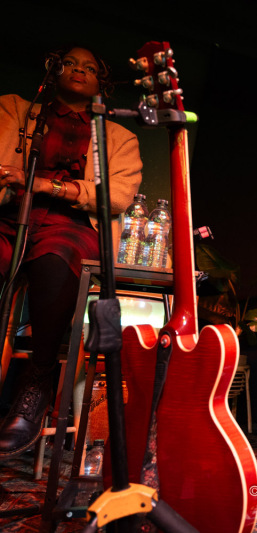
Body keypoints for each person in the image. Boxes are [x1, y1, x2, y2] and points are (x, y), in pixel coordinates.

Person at [0, 45, 142, 458]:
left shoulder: (119, 137)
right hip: (10, 214)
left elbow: (115, 197)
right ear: (53, 69)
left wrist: (49, 187)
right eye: (71, 64)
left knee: (55, 261)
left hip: (72, 223)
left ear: (103, 83)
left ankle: (37, 380)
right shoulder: (14, 110)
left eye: (90, 67)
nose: (79, 70)